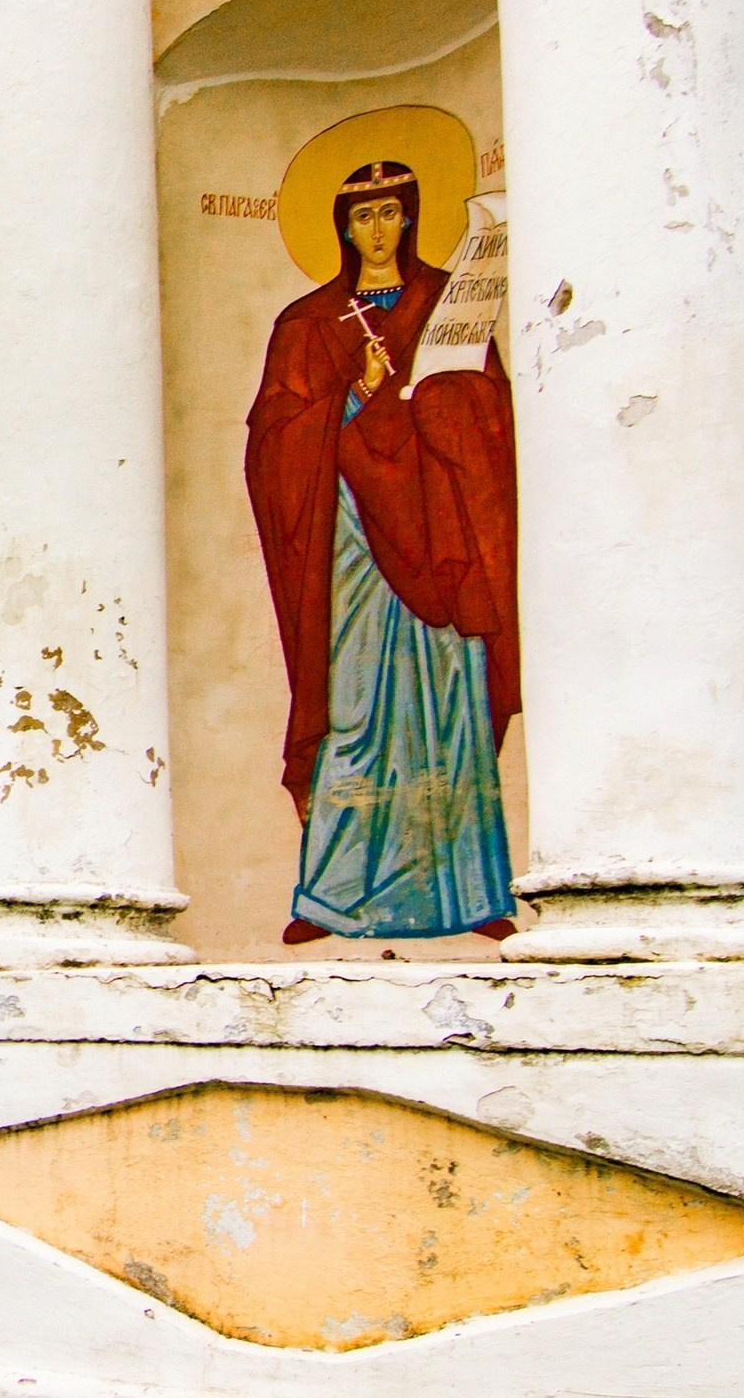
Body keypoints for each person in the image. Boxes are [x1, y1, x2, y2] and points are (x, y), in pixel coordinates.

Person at [244, 158, 520, 943]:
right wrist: (358, 395)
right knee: (356, 707)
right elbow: (273, 442)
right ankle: (331, 898)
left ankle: (473, 895)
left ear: (410, 217)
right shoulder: (307, 324)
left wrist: (440, 401)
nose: (377, 229)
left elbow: (494, 422)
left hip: (441, 541)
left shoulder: (451, 305)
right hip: (354, 546)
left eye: (390, 212)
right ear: (343, 225)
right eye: (363, 214)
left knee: (451, 705)